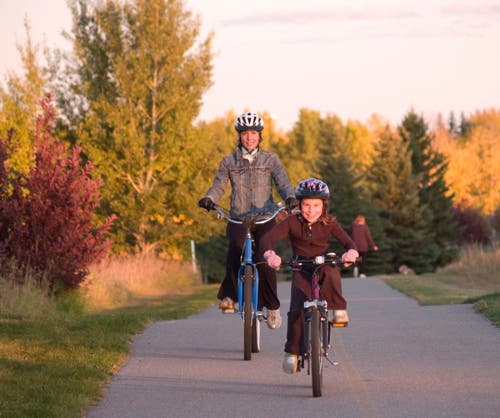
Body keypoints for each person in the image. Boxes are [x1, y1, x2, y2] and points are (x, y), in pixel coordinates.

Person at [198, 112, 298, 330]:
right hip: (238, 217)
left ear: (260, 136)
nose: (249, 138)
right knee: (235, 249)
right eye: (245, 134)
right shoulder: (228, 161)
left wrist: (290, 198)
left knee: (266, 259)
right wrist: (209, 198)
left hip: (265, 218)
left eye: (254, 133)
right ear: (239, 136)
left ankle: (272, 307)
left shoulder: (270, 160)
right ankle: (230, 296)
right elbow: (218, 186)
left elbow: (283, 183)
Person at [260, 178, 359, 373]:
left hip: (323, 263)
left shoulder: (329, 223)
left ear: (324, 206)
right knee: (296, 310)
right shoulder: (292, 221)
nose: (311, 210)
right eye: (306, 205)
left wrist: (351, 253)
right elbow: (266, 239)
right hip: (300, 266)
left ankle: (338, 308)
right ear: (299, 204)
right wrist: (270, 255)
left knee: (331, 269)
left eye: (316, 205)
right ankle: (292, 353)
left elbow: (349, 244)